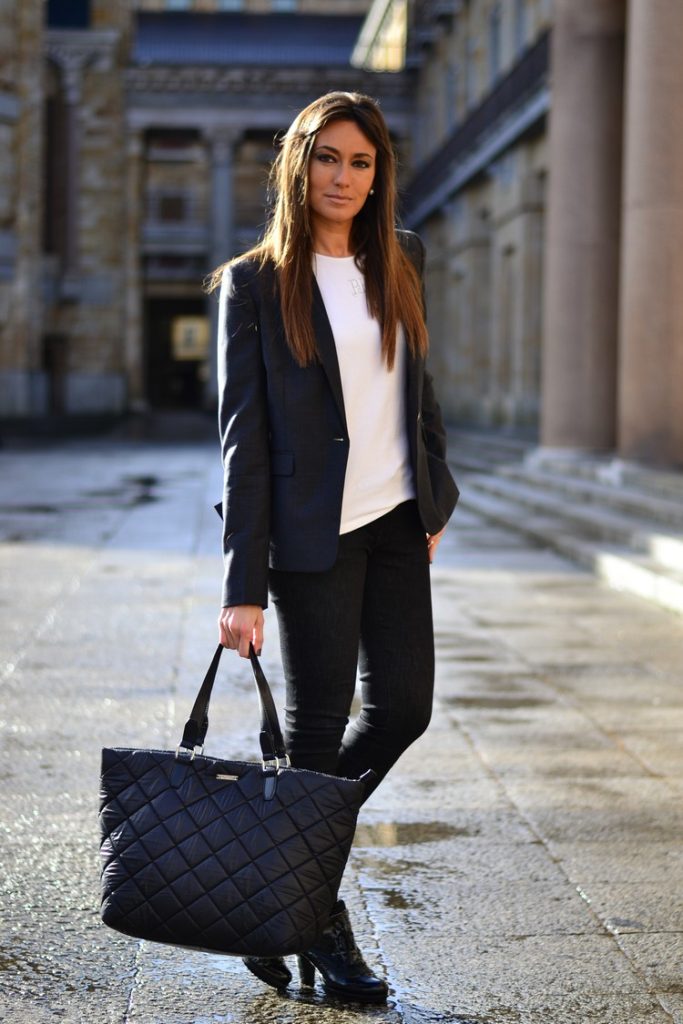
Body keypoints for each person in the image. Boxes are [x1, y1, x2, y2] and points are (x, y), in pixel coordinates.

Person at [208, 91, 458, 1004]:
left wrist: (434, 492)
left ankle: (277, 885)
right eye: (327, 160)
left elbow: (418, 390)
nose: (344, 178)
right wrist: (242, 583)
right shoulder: (256, 282)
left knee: (402, 710)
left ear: (378, 172)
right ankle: (314, 917)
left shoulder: (403, 260)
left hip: (396, 526)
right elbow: (244, 438)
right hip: (310, 536)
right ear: (298, 165)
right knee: (314, 734)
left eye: (361, 162)